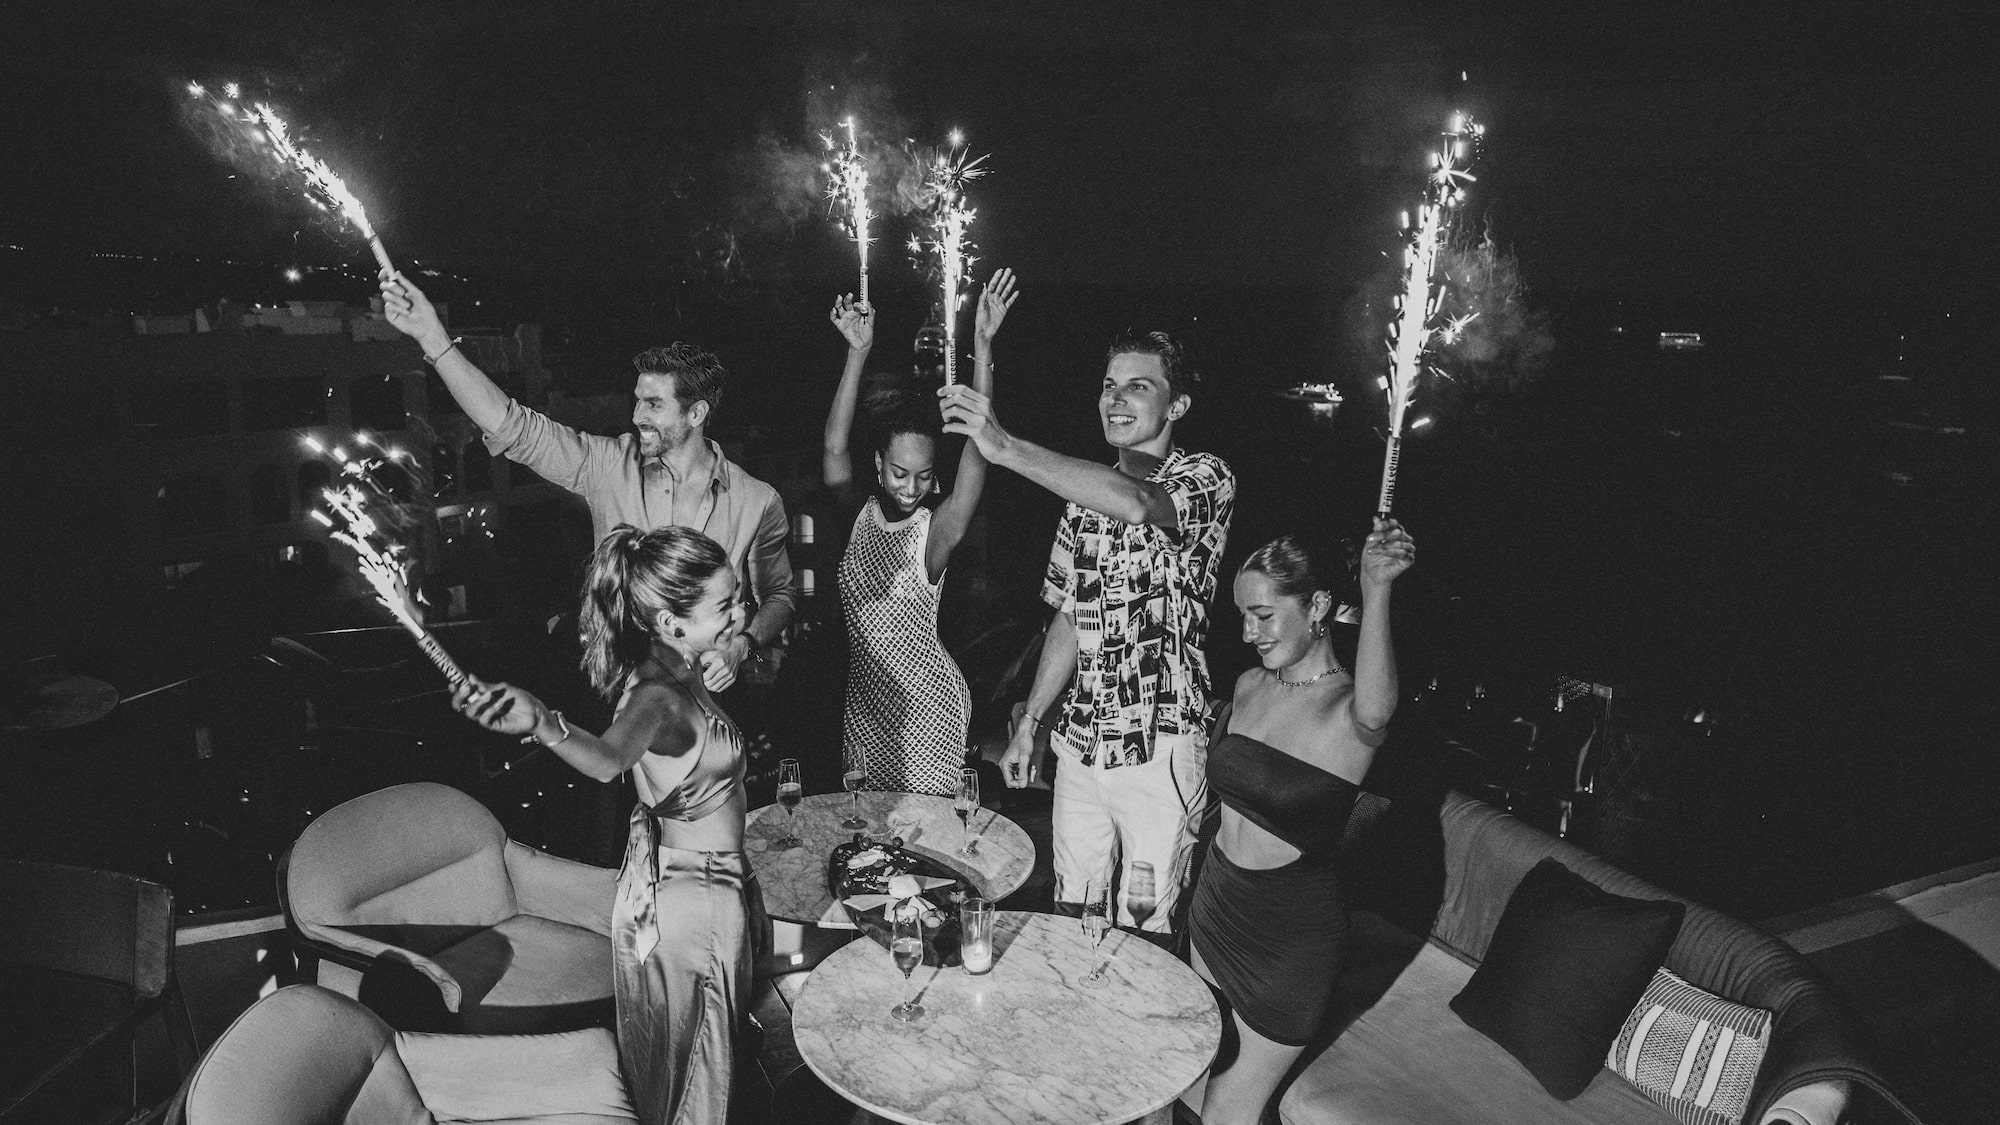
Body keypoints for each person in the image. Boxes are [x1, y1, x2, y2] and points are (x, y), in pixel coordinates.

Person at [450, 524, 761, 1125]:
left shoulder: (682, 668)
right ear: (671, 623)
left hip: (713, 883)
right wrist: (543, 721)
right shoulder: (656, 697)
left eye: (737, 597)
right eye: (724, 606)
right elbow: (607, 760)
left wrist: (735, 644)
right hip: (694, 903)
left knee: (703, 1058)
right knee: (699, 1070)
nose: (739, 613)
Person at [939, 331, 1234, 936]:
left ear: (1176, 407)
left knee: (1146, 923)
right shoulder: (1082, 496)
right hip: (1079, 744)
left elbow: (1140, 504)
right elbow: (1071, 616)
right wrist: (1030, 723)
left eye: (1138, 386)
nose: (1115, 399)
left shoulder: (1205, 478)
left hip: (1160, 746)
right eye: (1108, 386)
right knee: (1073, 909)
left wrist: (1005, 447)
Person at [380, 273, 793, 693]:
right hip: (617, 692)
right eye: (637, 400)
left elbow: (779, 596)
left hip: (709, 705)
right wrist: (434, 340)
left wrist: (741, 645)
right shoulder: (608, 465)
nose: (637, 417)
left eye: (653, 404)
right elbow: (513, 426)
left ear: (696, 412)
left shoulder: (756, 499)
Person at [1186, 522, 1415, 1125]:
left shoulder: (1349, 713)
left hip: (1285, 940)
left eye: (1263, 615)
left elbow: (1378, 707)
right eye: (1242, 616)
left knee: (1225, 1115)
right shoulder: (1248, 685)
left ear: (1316, 606)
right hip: (1215, 909)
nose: (1248, 633)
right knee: (1182, 1078)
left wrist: (1376, 586)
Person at [822, 272, 1018, 794]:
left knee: (924, 851)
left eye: (926, 477)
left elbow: (979, 460)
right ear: (880, 463)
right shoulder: (858, 515)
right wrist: (856, 354)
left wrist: (981, 348)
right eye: (900, 473)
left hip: (926, 715)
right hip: (864, 710)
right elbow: (835, 449)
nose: (912, 488)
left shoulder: (932, 534)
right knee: (867, 845)